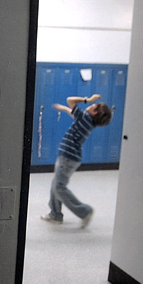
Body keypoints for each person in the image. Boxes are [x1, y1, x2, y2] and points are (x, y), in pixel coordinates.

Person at [40, 94, 112, 229]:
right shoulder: (87, 120)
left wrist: (87, 99)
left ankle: (84, 211)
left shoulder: (85, 118)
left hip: (68, 157)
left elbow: (70, 100)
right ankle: (55, 214)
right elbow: (73, 112)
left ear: (95, 111)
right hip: (68, 157)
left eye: (92, 105)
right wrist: (65, 109)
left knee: (59, 187)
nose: (89, 105)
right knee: (56, 183)